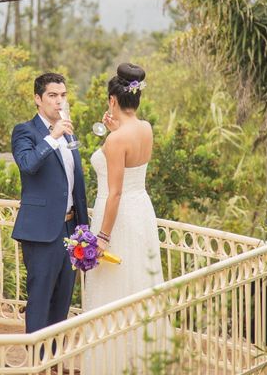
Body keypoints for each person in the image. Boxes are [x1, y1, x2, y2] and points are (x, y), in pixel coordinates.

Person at [83, 62, 168, 374]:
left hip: (116, 217)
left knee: (113, 289)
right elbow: (132, 164)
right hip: (141, 212)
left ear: (112, 100)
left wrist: (102, 237)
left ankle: (111, 364)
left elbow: (115, 192)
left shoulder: (115, 140)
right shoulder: (144, 128)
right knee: (137, 285)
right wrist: (115, 130)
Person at [11, 72, 89, 336]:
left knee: (61, 305)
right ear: (37, 98)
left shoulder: (68, 134)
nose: (59, 101)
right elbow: (28, 164)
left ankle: (53, 362)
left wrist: (83, 231)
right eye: (53, 96)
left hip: (70, 232)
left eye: (63, 95)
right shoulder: (26, 131)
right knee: (40, 302)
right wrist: (52, 136)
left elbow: (76, 184)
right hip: (41, 233)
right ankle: (37, 365)